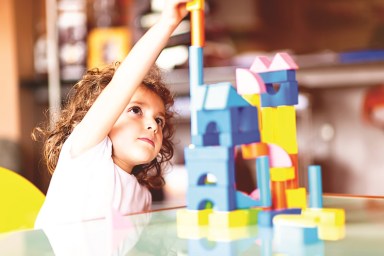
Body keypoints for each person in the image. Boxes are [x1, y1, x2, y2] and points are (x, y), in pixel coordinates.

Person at [33, 0, 191, 228]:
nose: (153, 126)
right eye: (136, 110)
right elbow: (123, 83)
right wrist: (167, 22)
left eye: (159, 119)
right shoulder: (87, 154)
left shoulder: (142, 196)